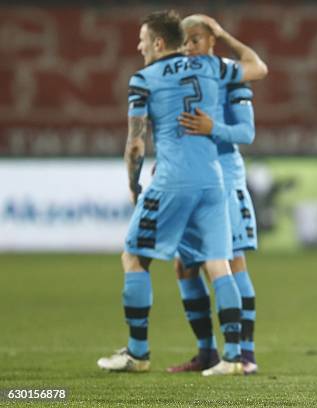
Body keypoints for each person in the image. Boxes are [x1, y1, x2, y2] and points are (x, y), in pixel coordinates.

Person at [96, 9, 265, 373]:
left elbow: (137, 143)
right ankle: (232, 356)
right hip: (212, 181)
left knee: (134, 256)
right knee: (214, 265)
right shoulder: (213, 68)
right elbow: (255, 66)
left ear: (158, 43)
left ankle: (138, 352)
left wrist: (132, 182)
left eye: (142, 40)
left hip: (173, 178)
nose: (138, 47)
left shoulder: (144, 78)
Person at [165, 14, 265, 376]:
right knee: (184, 265)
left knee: (231, 261)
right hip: (191, 179)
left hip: (225, 180)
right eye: (185, 41)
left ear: (211, 42)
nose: (190, 47)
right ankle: (207, 352)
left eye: (197, 40)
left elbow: (246, 133)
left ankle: (244, 355)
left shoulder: (227, 74)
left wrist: (213, 127)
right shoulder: (179, 78)